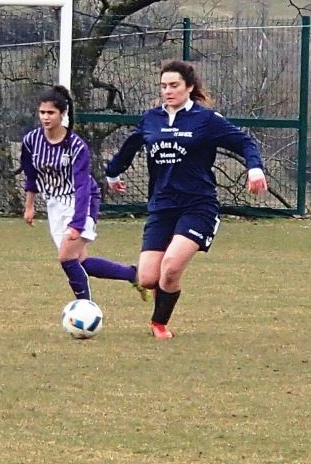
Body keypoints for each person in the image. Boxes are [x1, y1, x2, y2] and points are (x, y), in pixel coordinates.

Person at [104, 60, 268, 340]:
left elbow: (245, 142)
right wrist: (112, 173)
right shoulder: (151, 119)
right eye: (163, 86)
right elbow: (130, 146)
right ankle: (154, 290)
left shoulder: (206, 120)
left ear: (189, 87)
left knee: (171, 268)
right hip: (161, 206)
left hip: (198, 205)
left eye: (174, 85)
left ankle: (159, 324)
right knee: (148, 278)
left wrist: (255, 168)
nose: (168, 91)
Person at [20, 85, 143, 306]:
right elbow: (31, 174)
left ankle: (85, 309)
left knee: (66, 257)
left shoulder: (77, 147)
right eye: (42, 112)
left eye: (51, 112)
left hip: (82, 201)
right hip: (54, 203)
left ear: (62, 114)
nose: (46, 117)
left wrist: (77, 224)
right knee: (81, 261)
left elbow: (82, 187)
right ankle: (134, 275)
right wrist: (29, 206)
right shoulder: (31, 141)